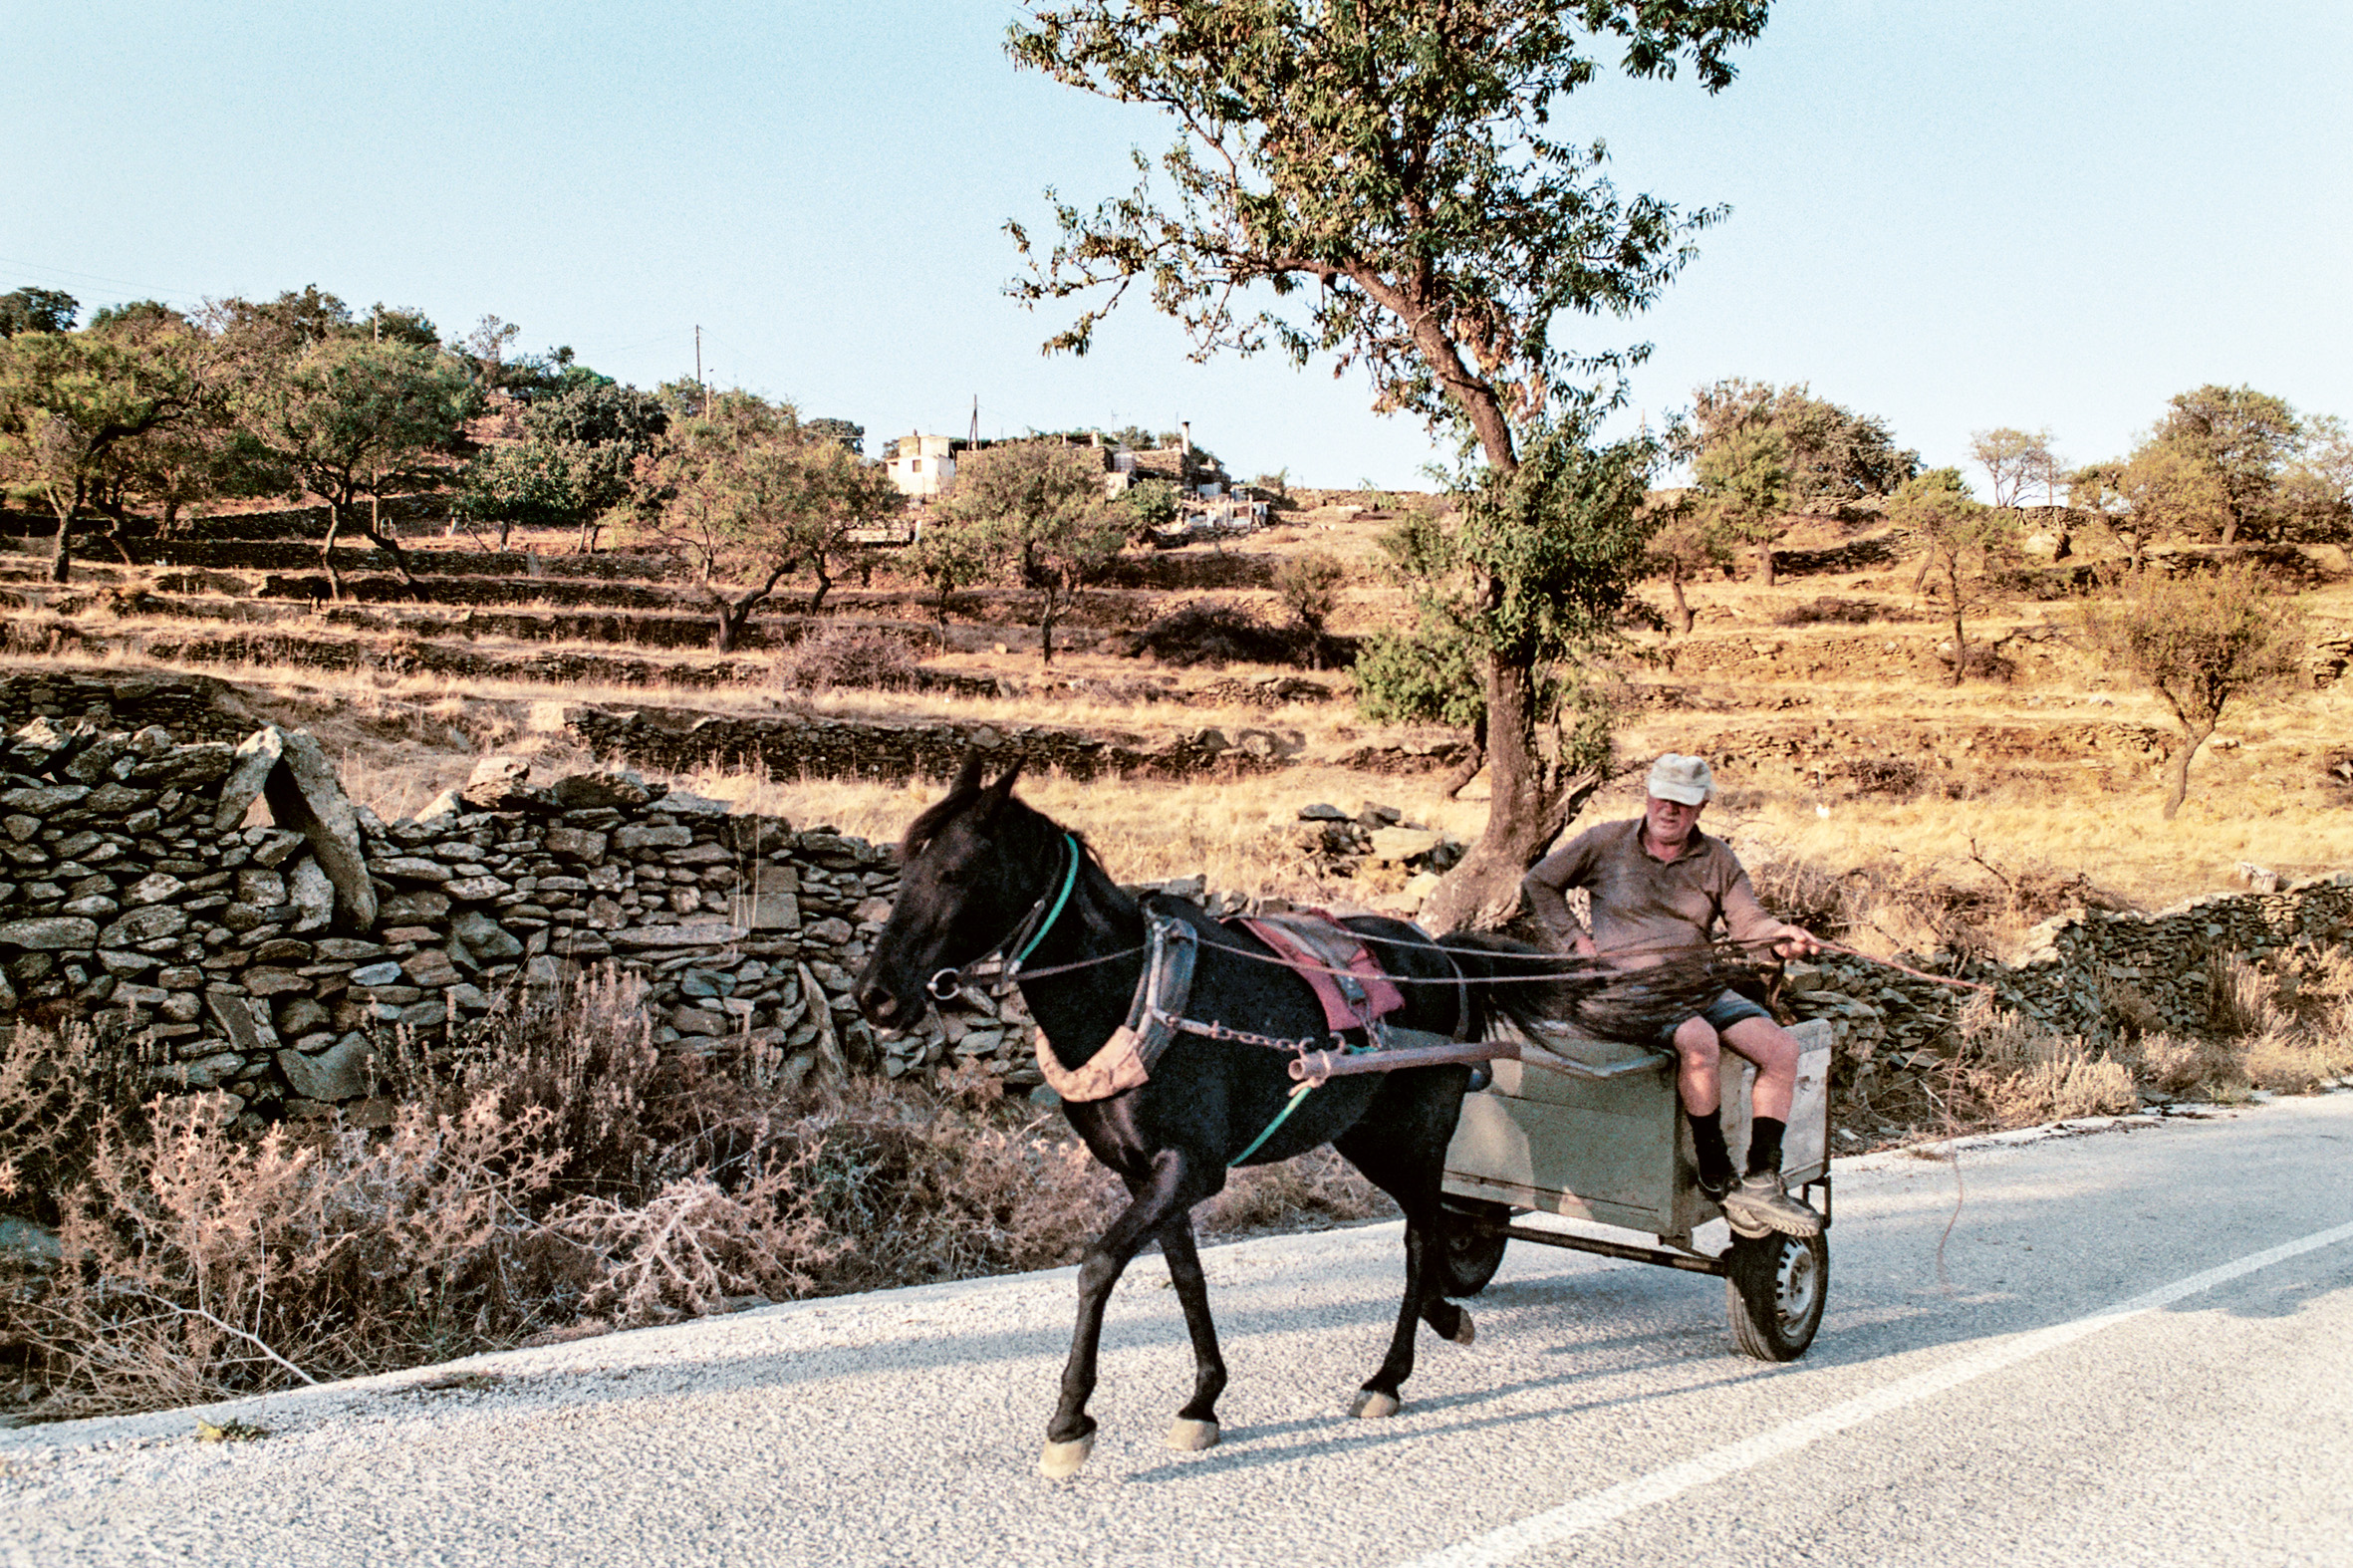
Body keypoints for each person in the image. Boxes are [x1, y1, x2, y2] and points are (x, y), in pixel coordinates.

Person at [1520, 753, 1823, 1238]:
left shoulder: (1717, 858)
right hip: (1624, 989)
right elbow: (1539, 882)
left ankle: (1764, 1177)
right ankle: (1714, 1169)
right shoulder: (1605, 842)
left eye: (1684, 803)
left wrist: (1779, 937)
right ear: (1648, 796)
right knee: (1698, 1041)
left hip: (1697, 984)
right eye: (1663, 799)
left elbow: (1749, 924)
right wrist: (1575, 942)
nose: (1670, 811)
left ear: (1701, 806)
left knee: (1783, 1049)